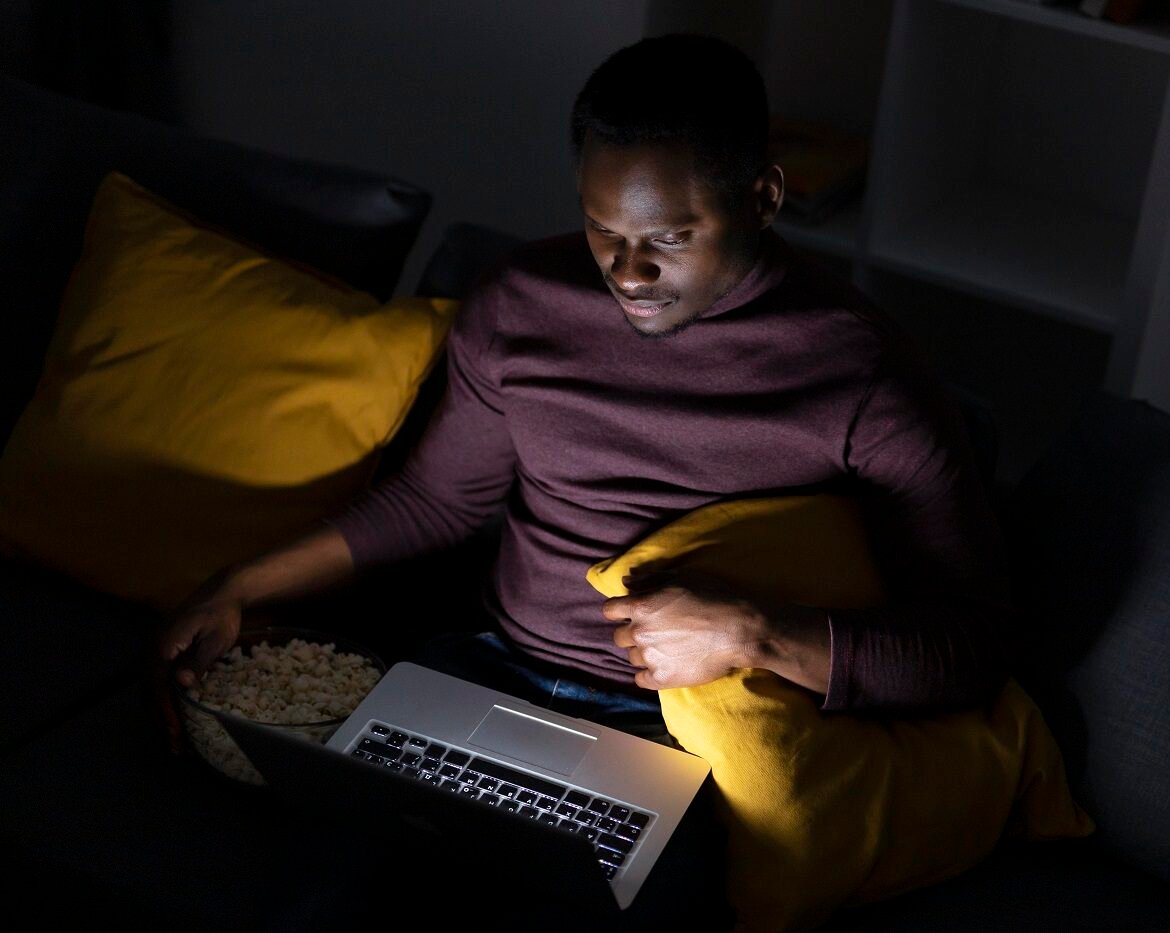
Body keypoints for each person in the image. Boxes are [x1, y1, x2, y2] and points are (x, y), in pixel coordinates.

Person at [157, 32, 1011, 925]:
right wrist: (238, 587)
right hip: (485, 677)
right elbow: (434, 500)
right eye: (604, 232)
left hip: (685, 736)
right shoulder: (523, 303)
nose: (629, 275)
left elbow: (971, 645)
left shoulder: (862, 374)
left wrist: (756, 634)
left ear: (762, 197)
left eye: (670, 239)